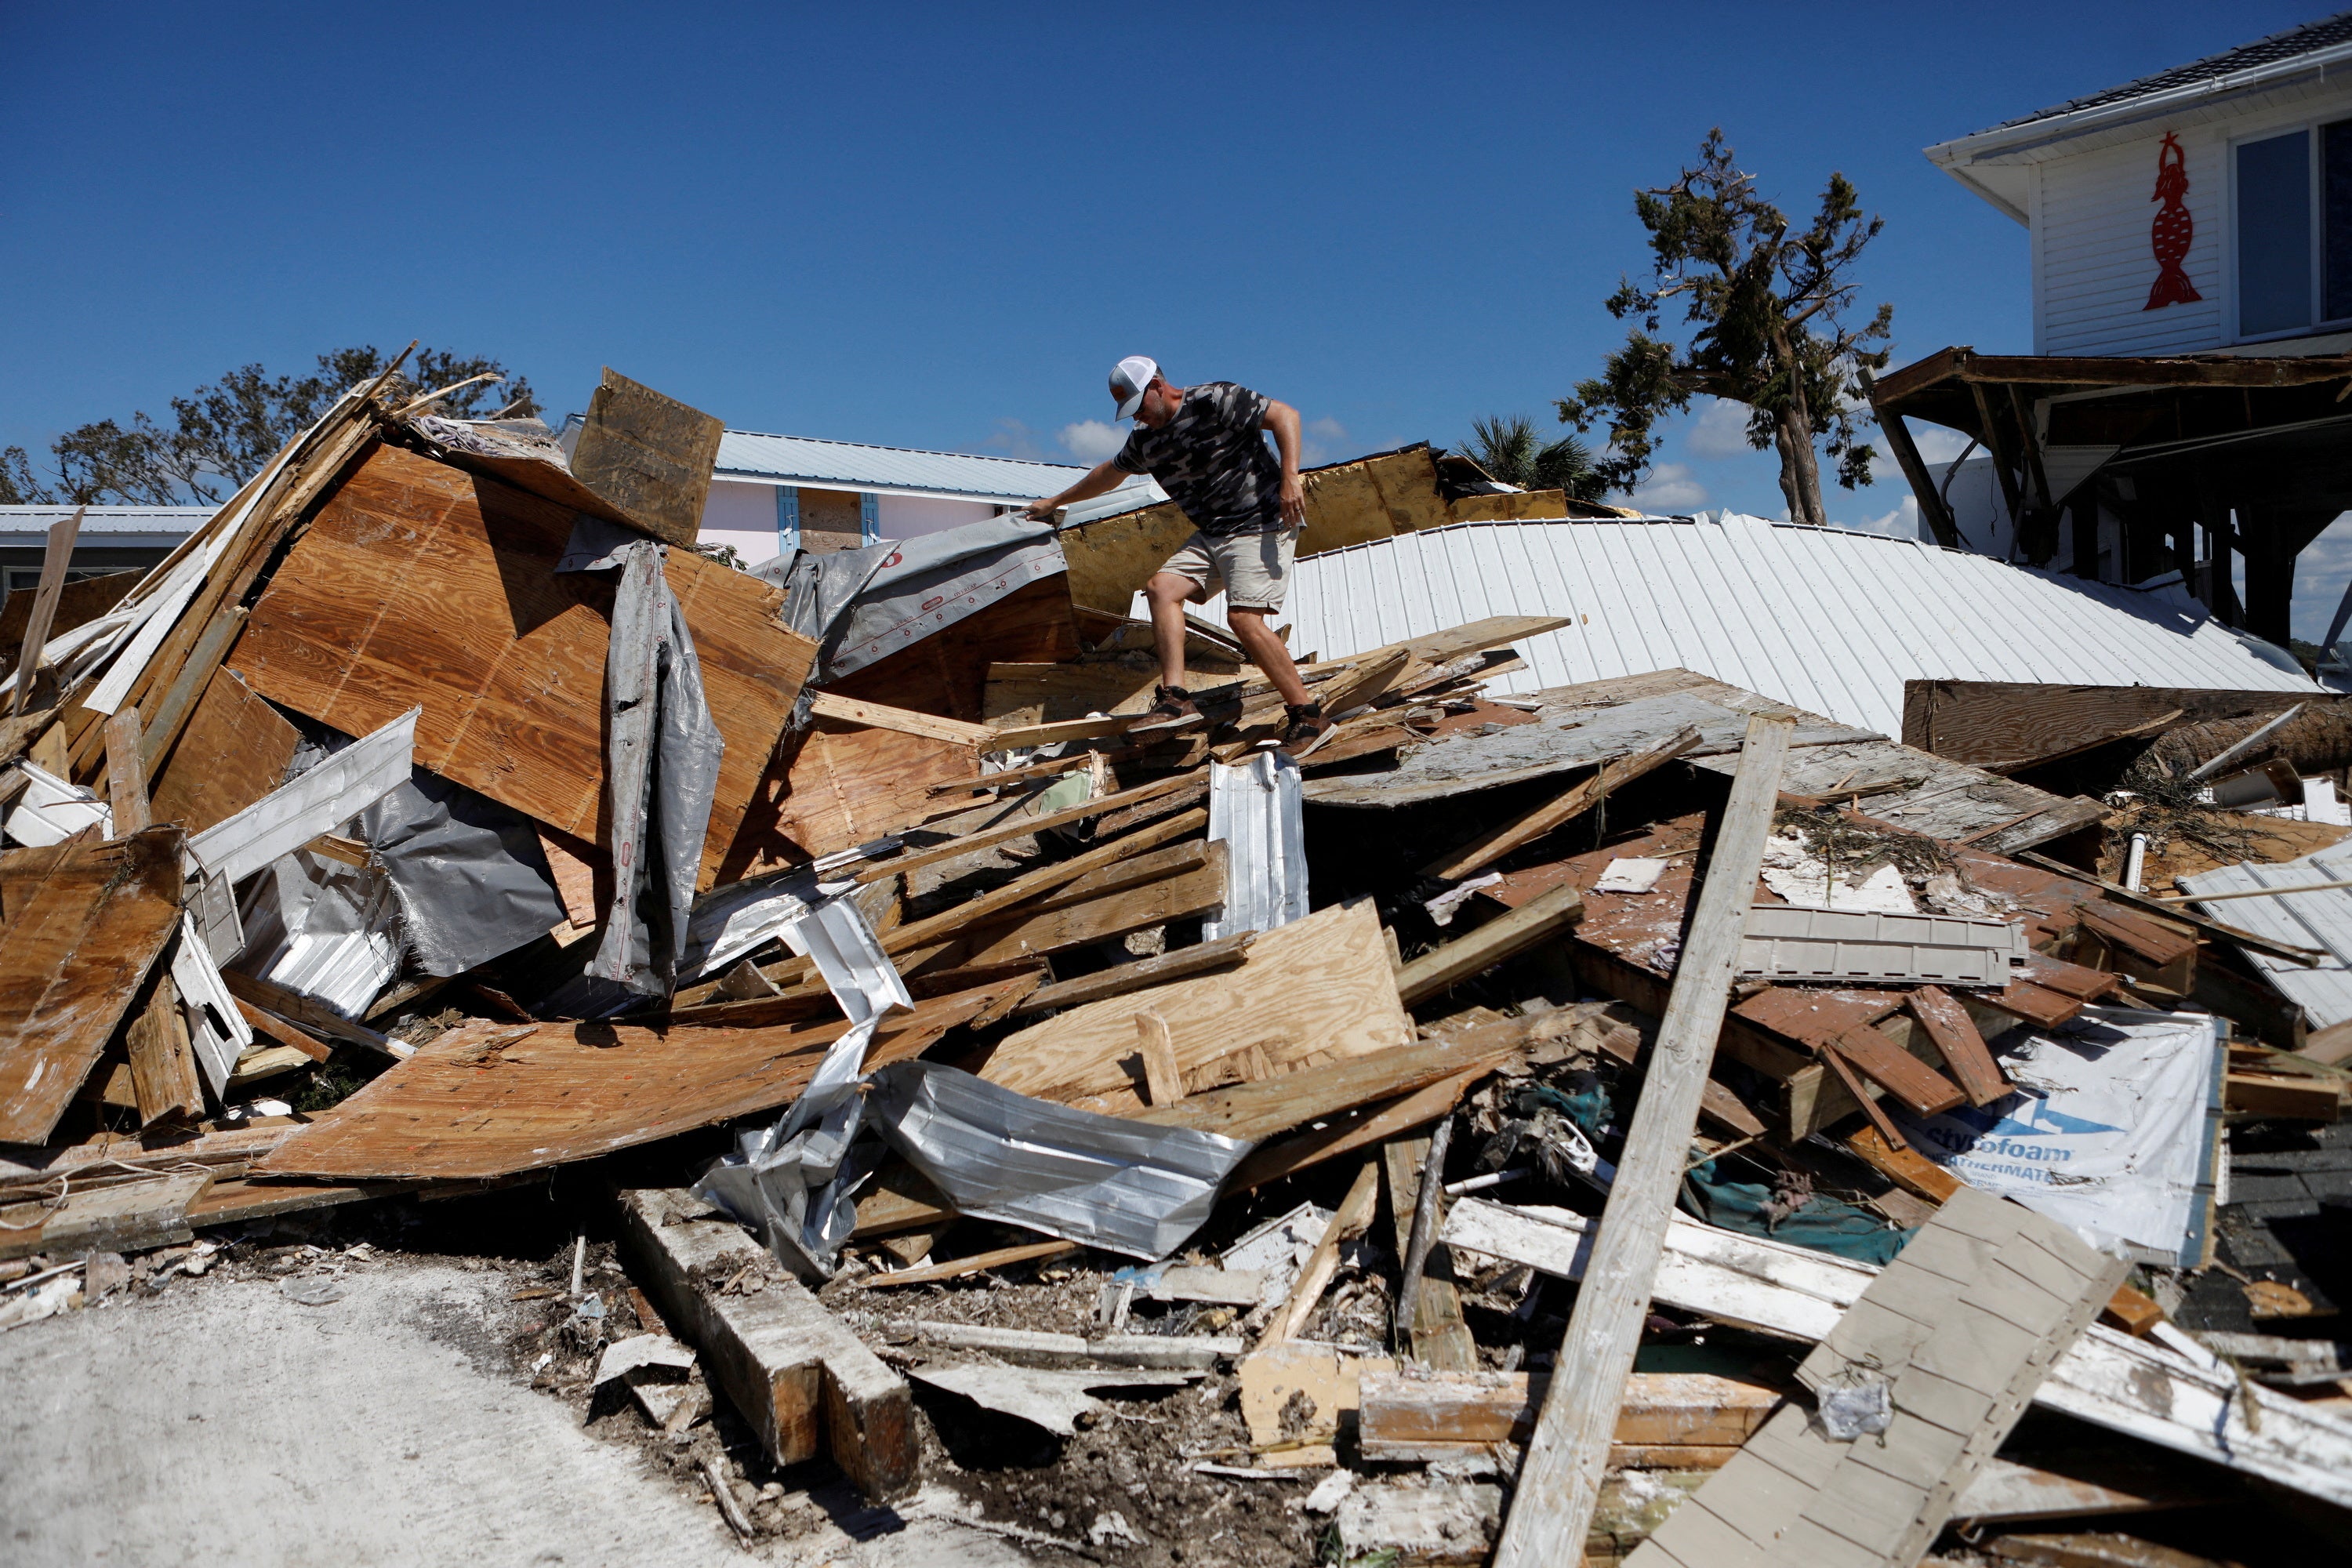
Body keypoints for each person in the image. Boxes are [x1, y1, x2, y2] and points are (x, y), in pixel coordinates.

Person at [1025, 357, 1331, 755]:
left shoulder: (1215, 399)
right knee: (1161, 588)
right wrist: (1056, 501)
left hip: (1262, 521)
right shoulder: (1146, 440)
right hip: (1214, 532)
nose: (1139, 417)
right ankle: (1177, 699)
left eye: (1140, 406)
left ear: (1157, 385)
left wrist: (1290, 476)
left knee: (1243, 619)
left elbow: (1286, 416)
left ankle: (1309, 717)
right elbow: (1109, 473)